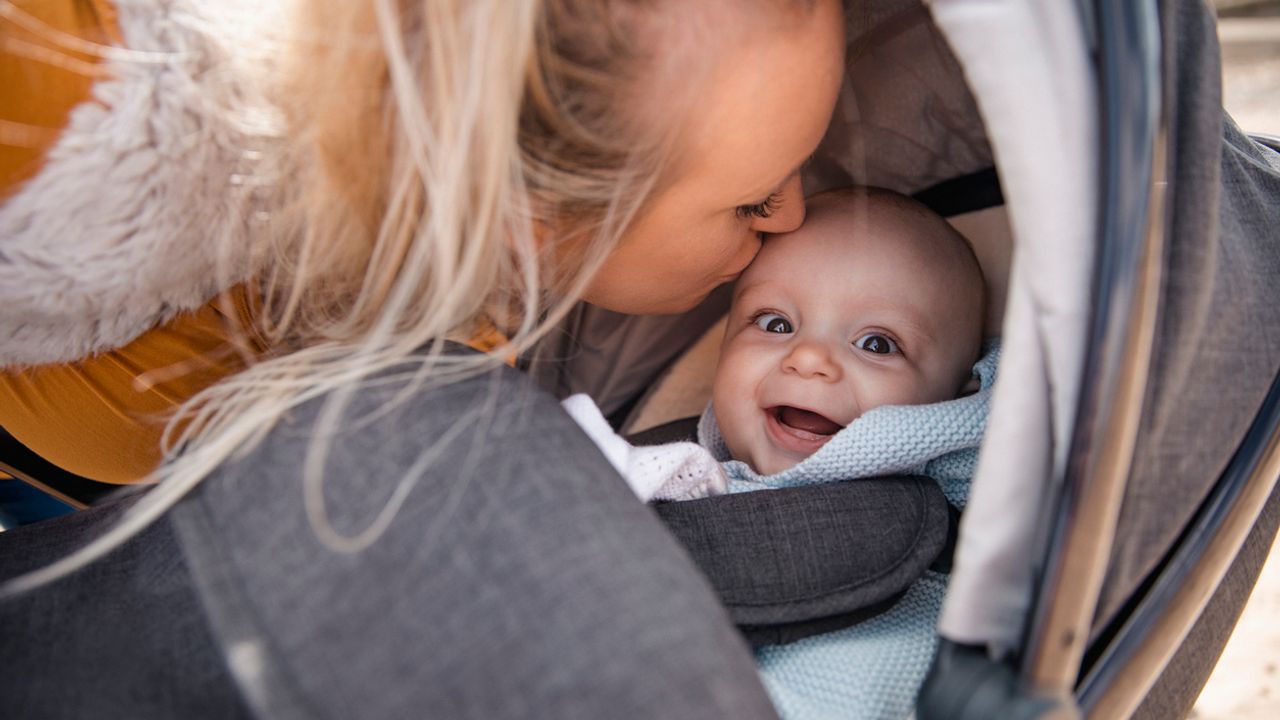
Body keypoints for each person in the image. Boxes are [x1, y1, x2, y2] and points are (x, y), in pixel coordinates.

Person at [0, 1, 847, 717]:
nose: (792, 221)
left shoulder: (475, 299)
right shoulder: (53, 95)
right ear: (524, 206)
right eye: (751, 199)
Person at [566, 187, 988, 500]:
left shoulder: (967, 474)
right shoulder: (665, 469)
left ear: (955, 394)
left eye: (876, 344)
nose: (806, 358)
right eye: (775, 324)